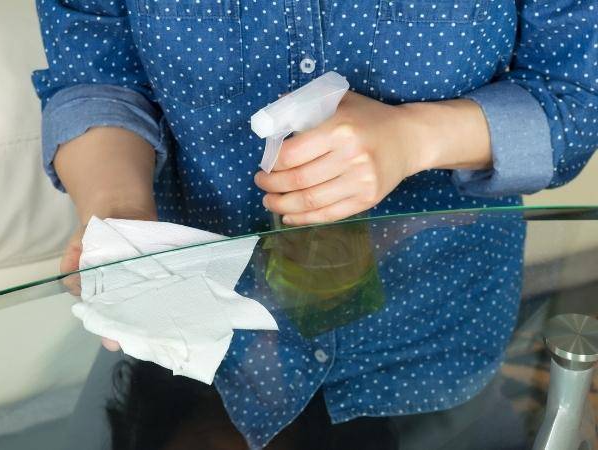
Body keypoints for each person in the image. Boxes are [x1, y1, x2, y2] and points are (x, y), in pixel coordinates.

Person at [32, 0, 597, 446]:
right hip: (198, 343)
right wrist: (119, 209)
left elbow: (575, 99)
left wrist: (415, 137)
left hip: (435, 335)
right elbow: (96, 77)